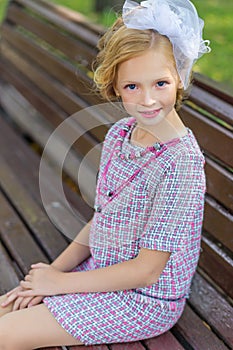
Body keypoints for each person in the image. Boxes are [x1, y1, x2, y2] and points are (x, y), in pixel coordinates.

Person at [0, 0, 210, 348]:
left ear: (180, 77)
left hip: (142, 300)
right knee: (6, 309)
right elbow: (103, 217)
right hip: (99, 271)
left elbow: (147, 271)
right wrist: (52, 273)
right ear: (114, 87)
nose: (147, 100)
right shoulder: (120, 134)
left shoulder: (181, 164)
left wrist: (59, 284)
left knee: (5, 334)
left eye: (160, 83)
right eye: (132, 87)